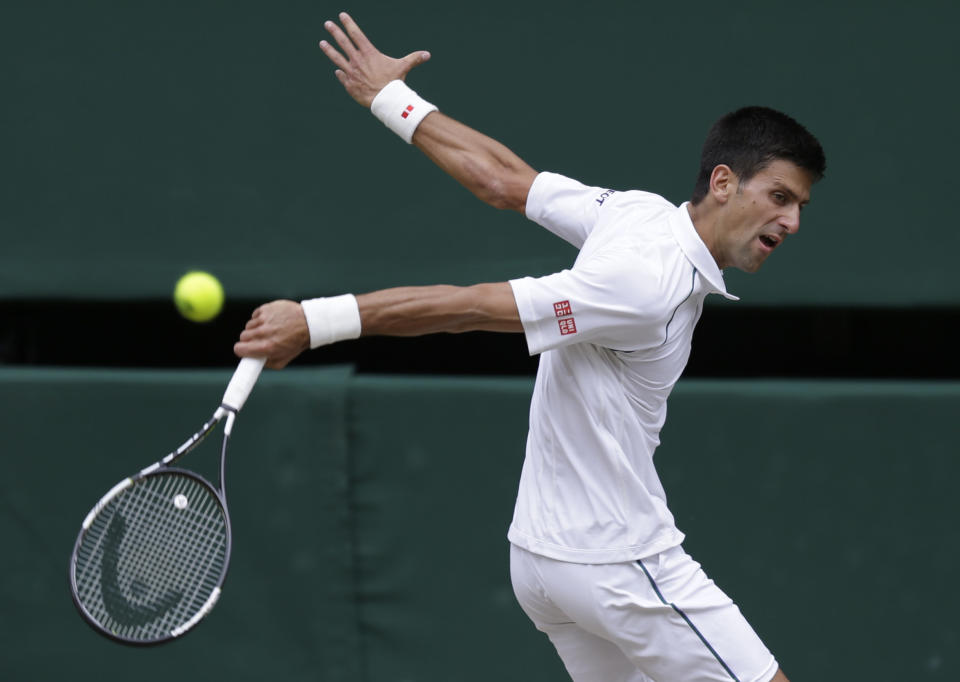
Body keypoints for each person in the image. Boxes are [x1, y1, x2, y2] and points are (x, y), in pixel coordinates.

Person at [234, 12, 825, 682]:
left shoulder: (637, 215)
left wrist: (391, 99)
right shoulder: (643, 283)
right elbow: (469, 309)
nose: (793, 220)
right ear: (723, 183)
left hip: (541, 564)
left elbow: (503, 180)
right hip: (616, 561)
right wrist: (316, 321)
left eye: (800, 205)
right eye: (780, 197)